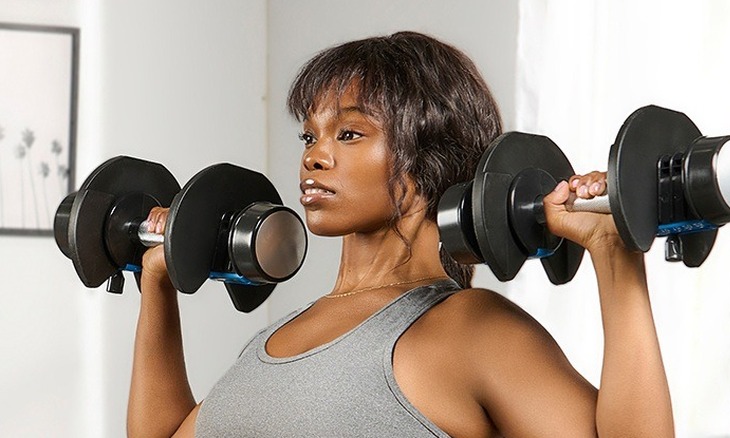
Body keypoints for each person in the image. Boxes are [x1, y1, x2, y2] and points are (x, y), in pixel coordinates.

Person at [127, 31, 673, 437]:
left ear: (422, 161)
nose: (314, 157)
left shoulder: (472, 329)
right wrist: (158, 283)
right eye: (310, 135)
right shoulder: (276, 338)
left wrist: (614, 254)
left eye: (348, 133)